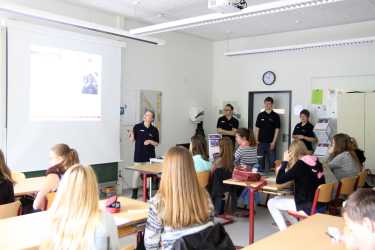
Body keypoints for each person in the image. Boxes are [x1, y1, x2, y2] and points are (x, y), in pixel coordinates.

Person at [144, 146, 214, 250]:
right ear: (191, 168)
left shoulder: (158, 202)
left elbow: (150, 246)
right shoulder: (205, 196)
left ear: (166, 170)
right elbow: (210, 227)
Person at [40, 164, 119, 250]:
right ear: (93, 189)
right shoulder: (105, 220)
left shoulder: (52, 220)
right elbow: (114, 247)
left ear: (64, 188)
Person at [267, 140, 325, 231]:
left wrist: (285, 162)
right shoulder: (316, 161)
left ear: (292, 152)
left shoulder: (301, 164)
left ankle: (284, 232)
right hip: (319, 203)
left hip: (307, 205)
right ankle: (296, 228)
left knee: (271, 203)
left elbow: (279, 180)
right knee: (277, 200)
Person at [33, 144, 79, 210]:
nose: (49, 162)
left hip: (55, 214)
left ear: (60, 159)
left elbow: (36, 205)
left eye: (51, 158)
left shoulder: (53, 175)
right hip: (74, 212)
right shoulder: (77, 171)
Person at [129, 110, 160, 199]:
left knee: (148, 175)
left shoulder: (154, 130)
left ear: (152, 118)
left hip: (150, 156)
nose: (146, 116)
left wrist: (150, 141)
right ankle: (134, 193)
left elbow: (157, 143)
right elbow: (132, 140)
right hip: (139, 154)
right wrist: (131, 135)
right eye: (145, 115)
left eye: (148, 115)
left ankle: (146, 193)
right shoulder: (137, 127)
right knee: (136, 173)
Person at [210, 137, 236, 215]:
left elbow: (211, 174)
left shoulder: (217, 161)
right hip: (229, 188)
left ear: (220, 148)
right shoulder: (233, 160)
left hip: (217, 190)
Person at [255, 97, 280, 172]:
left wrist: (273, 142)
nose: (267, 105)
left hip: (271, 143)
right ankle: (260, 178)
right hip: (260, 143)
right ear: (264, 104)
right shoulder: (260, 115)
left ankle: (272, 179)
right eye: (266, 103)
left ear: (272, 104)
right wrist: (256, 140)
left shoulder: (275, 116)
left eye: (269, 104)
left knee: (272, 163)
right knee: (260, 163)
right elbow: (257, 128)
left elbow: (277, 129)